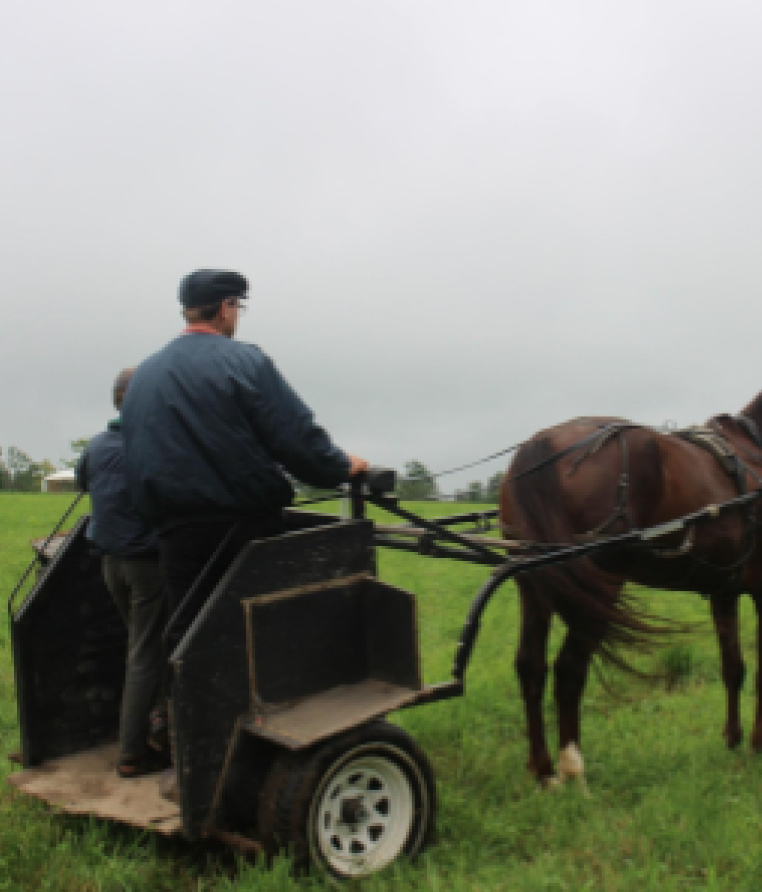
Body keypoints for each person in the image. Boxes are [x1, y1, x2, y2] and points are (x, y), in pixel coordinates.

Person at [121, 269, 369, 661]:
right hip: (241, 528)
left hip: (172, 531)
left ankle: (189, 716)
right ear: (226, 307)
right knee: (258, 633)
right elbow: (293, 436)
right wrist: (340, 466)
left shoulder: (145, 372)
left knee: (191, 634)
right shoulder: (244, 361)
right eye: (238, 307)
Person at [75, 369, 169, 779]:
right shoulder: (151, 447)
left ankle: (160, 723)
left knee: (147, 648)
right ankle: (132, 754)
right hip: (146, 566)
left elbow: (84, 483)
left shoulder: (96, 446)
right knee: (146, 654)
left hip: (110, 562)